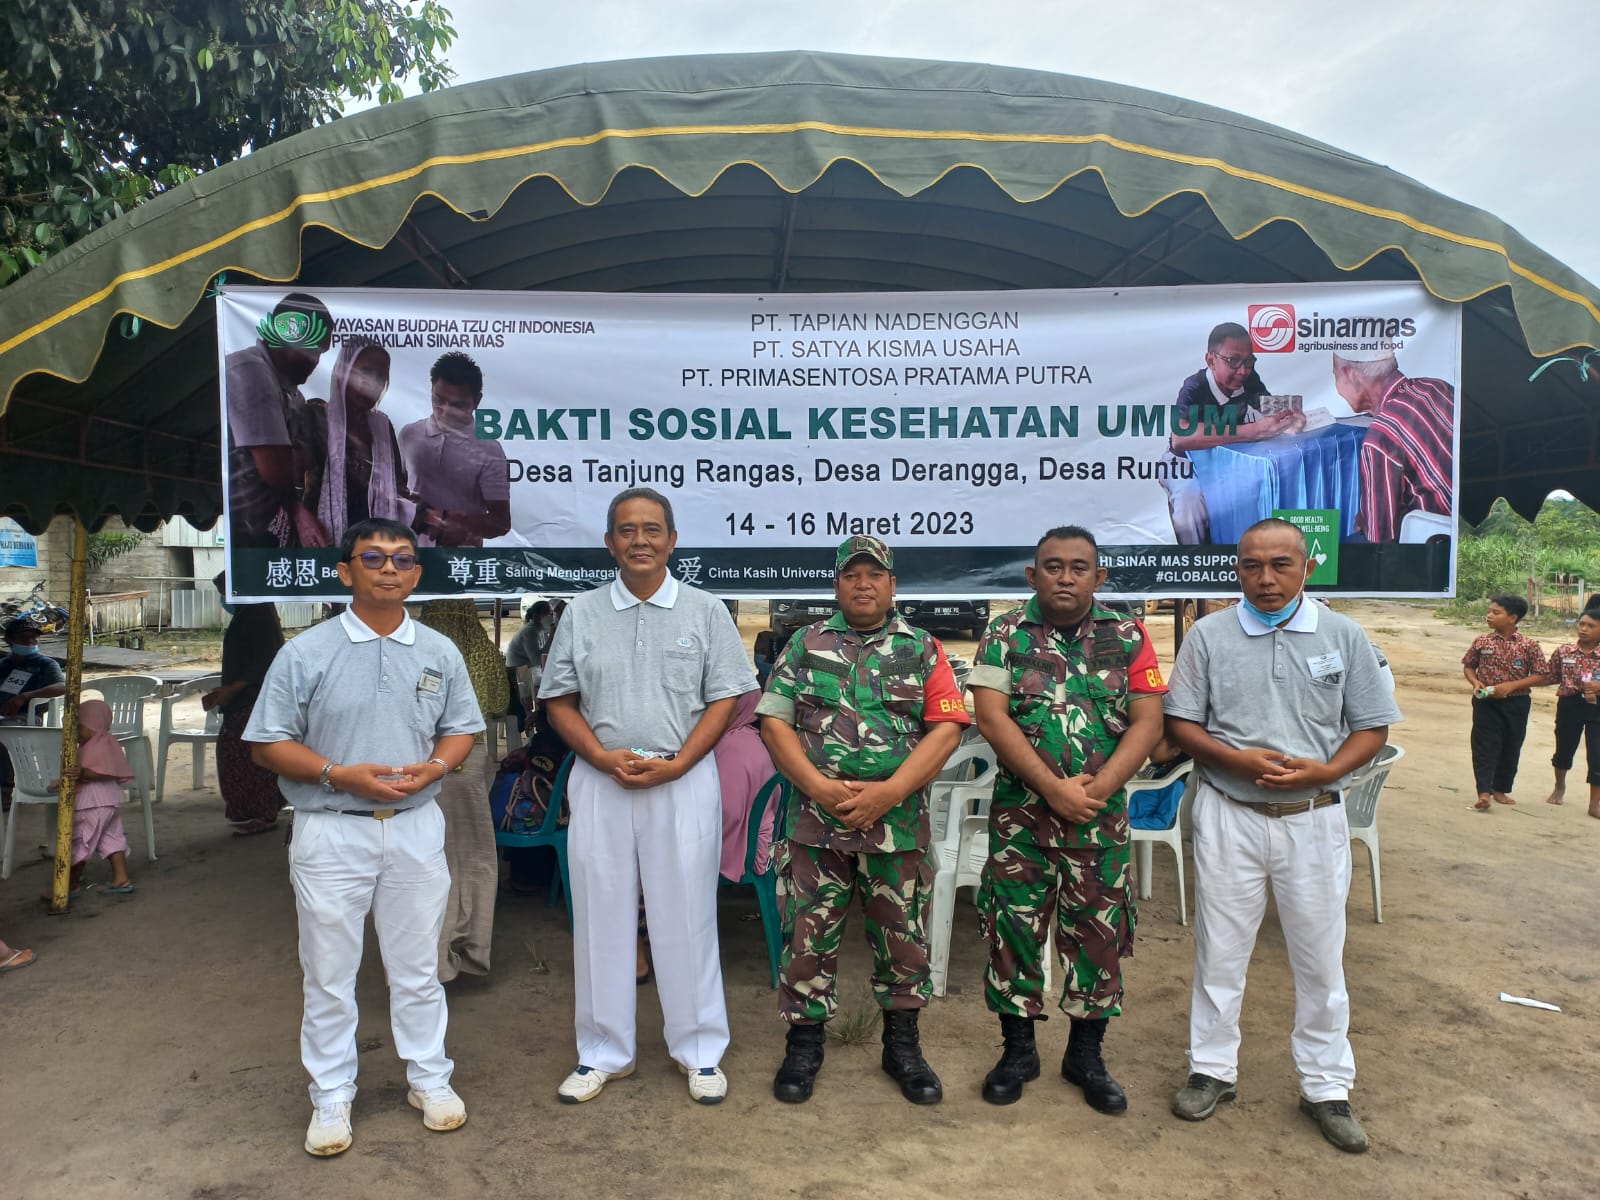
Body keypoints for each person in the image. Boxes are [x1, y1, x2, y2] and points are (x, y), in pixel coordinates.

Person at [245, 517, 484, 1157]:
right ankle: (330, 1095)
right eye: (373, 557)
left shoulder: (439, 651)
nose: (388, 569)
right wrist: (335, 774)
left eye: (403, 559)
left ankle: (430, 1080)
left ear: (416, 573)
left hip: (414, 828)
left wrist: (437, 766)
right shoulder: (306, 652)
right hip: (330, 830)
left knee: (417, 970)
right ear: (345, 570)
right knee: (328, 972)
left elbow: (461, 728)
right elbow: (267, 743)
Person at [1163, 517, 1400, 1154]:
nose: (1265, 580)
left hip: (1315, 817)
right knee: (1221, 952)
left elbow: (1372, 727)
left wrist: (1328, 770)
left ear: (1306, 568)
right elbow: (1182, 724)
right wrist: (1234, 760)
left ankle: (1326, 1087)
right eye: (1251, 566)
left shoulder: (1342, 634)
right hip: (1228, 812)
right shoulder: (1209, 636)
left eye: (1280, 565)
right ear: (1236, 569)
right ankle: (1212, 1070)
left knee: (1321, 959)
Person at [537, 487, 754, 1106]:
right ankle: (604, 1051)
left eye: (652, 530)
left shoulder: (706, 610)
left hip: (682, 780)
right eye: (627, 530)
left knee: (685, 916)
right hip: (601, 776)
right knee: (601, 917)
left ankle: (699, 1050)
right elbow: (559, 700)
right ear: (609, 542)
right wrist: (600, 757)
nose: (640, 540)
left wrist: (683, 761)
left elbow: (726, 699)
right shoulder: (579, 613)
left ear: (672, 540)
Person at [757, 536, 969, 1105]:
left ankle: (902, 1046)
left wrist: (892, 791)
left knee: (903, 940)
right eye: (852, 574)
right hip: (814, 824)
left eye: (876, 574)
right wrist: (819, 787)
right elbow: (774, 722)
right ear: (837, 584)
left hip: (895, 825)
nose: (864, 583)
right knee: (806, 937)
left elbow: (946, 727)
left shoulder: (922, 647)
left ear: (893, 585)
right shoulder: (805, 644)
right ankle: (804, 1045)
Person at [969, 526, 1166, 1113]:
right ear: (1033, 576)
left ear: (1099, 577)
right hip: (1021, 821)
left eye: (1079, 567)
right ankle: (1018, 1051)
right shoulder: (1004, 633)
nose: (1065, 576)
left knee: (1099, 937)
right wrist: (1053, 789)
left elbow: (1148, 722)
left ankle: (1086, 1054)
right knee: (1014, 932)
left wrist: (1098, 791)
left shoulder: (1128, 634)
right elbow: (992, 717)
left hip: (1098, 825)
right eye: (1052, 566)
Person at [415, 599, 508, 983]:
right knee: (471, 857)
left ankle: (429, 960)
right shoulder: (482, 649)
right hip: (468, 762)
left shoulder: (416, 648)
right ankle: (470, 949)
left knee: (422, 862)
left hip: (417, 767)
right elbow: (501, 703)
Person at [1162, 322, 1303, 544]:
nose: (1243, 370)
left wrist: (1290, 416)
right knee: (1189, 503)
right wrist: (1252, 431)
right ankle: (1196, 568)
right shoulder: (1194, 386)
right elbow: (1180, 438)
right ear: (1211, 360)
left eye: (1249, 361)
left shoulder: (1248, 378)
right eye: (1233, 361)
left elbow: (1269, 405)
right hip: (1184, 462)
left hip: (1225, 460)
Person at [225, 292, 335, 548]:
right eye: (315, 348)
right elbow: (272, 464)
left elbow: (299, 460)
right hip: (245, 530)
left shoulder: (293, 394)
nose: (317, 360)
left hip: (270, 527)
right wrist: (299, 514)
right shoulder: (249, 370)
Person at [300, 337, 414, 546]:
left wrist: (435, 517)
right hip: (319, 542)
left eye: (381, 376)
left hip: (372, 546)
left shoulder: (383, 428)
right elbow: (291, 484)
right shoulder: (314, 416)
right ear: (344, 371)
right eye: (364, 372)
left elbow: (398, 490)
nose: (372, 383)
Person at [1336, 348, 1454, 543]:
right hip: (1468, 521)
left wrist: (1367, 520)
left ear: (1352, 375)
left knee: (1346, 549)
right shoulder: (1436, 387)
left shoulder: (1380, 438)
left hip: (1434, 543)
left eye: (1335, 374)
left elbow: (1380, 538)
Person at [399, 352, 511, 547]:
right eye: (439, 400)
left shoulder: (490, 450)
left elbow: (501, 522)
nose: (446, 410)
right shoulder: (409, 434)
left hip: (460, 561)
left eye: (458, 405)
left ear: (477, 401)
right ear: (431, 390)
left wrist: (464, 524)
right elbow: (392, 490)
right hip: (405, 554)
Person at [203, 575, 286, 835]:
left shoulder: (258, 614)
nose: (224, 598)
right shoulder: (247, 613)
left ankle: (262, 812)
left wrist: (233, 689)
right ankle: (252, 811)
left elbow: (262, 662)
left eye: (224, 590)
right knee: (238, 755)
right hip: (241, 698)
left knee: (250, 757)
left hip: (253, 699)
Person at [42, 698, 136, 901]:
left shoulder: (98, 745)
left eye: (79, 726)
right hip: (109, 803)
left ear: (93, 724)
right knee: (112, 839)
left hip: (92, 804)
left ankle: (68, 886)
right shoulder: (106, 742)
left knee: (78, 842)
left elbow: (106, 772)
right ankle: (121, 879)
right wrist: (62, 781)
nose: (75, 732)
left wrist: (84, 772)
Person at [1461, 594, 1548, 811]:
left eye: (1496, 612)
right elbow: (1469, 665)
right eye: (1489, 611)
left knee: (1511, 745)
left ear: (1512, 618)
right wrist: (1475, 681)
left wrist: (1512, 686)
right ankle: (1483, 792)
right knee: (1484, 745)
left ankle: (1500, 789)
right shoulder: (1482, 641)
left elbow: (1541, 675)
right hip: (1485, 702)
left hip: (1516, 704)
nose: (1489, 615)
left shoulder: (1529, 645)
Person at [1, 617, 66, 812]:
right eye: (24, 638)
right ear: (10, 640)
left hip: (26, 718)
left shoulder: (45, 664)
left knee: (2, 735)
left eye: (34, 638)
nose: (30, 641)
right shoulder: (3, 664)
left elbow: (62, 686)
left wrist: (27, 696)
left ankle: (5, 788)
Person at [1542, 605, 1600, 818]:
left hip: (1598, 708)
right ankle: (1560, 786)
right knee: (1564, 747)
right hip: (1570, 705)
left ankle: (1595, 803)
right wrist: (1517, 683)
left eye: (1591, 626)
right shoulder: (1564, 651)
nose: (1584, 629)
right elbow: (1550, 675)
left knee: (1597, 754)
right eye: (1581, 624)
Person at [715, 689, 777, 882]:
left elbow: (729, 812)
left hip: (747, 853)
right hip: (767, 843)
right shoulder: (750, 737)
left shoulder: (731, 747)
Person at [505, 600, 556, 728]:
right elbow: (537, 660)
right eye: (546, 613)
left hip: (528, 670)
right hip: (519, 673)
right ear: (535, 616)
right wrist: (552, 637)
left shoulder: (541, 630)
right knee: (547, 684)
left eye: (551, 613)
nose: (551, 616)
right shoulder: (530, 631)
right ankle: (542, 719)